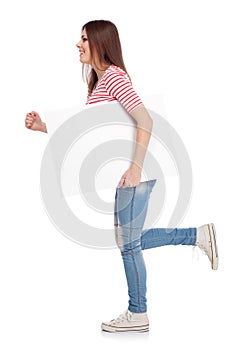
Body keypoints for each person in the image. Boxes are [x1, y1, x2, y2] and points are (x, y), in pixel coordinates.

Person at [25, 20, 218, 333]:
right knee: (128, 242)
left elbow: (145, 120)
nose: (78, 44)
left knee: (128, 245)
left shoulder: (114, 76)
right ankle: (197, 236)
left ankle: (138, 312)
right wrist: (44, 127)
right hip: (126, 173)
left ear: (101, 43)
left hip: (133, 172)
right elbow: (91, 131)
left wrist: (135, 167)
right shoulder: (99, 83)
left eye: (85, 38)